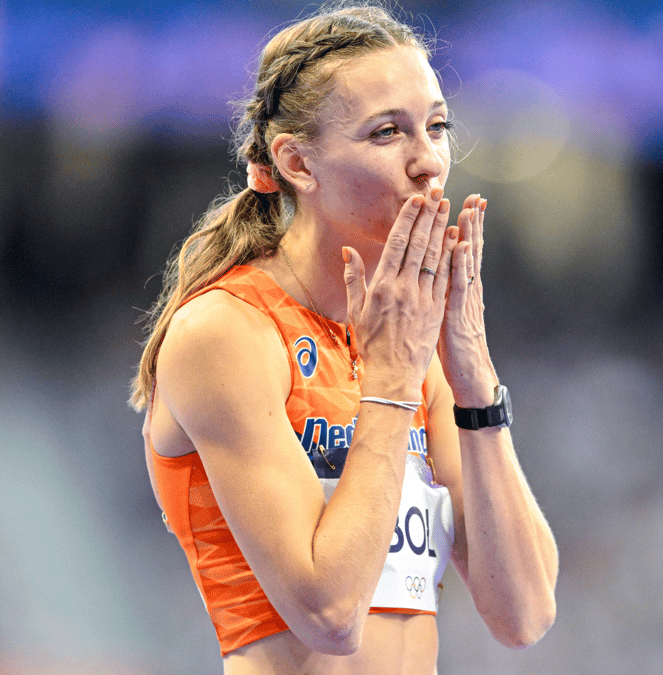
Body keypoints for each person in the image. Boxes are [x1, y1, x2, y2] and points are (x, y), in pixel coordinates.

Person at [129, 4, 558, 672]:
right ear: (297, 161)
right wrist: (388, 385)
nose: (428, 162)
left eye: (437, 127)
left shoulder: (414, 346)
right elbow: (329, 613)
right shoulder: (225, 332)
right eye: (387, 133)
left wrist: (473, 381)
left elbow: (524, 612)